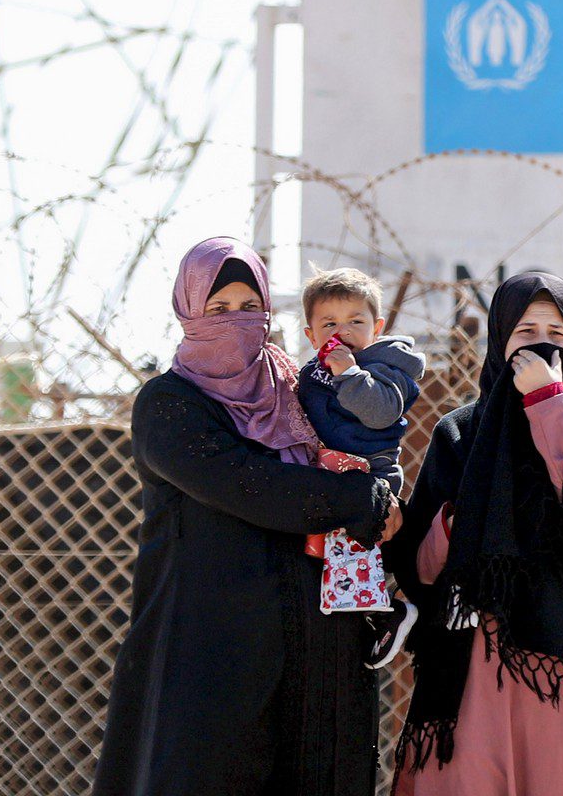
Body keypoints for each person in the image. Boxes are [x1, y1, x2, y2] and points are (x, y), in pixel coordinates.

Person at [93, 237, 401, 796]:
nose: (236, 321)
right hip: (212, 656)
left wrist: (379, 499)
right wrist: (364, 500)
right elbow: (248, 485)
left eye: (248, 306)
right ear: (189, 311)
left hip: (316, 649)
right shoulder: (169, 405)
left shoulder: (298, 392)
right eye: (217, 309)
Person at [384, 272, 563, 795]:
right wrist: (462, 526)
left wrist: (548, 400)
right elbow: (421, 569)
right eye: (524, 333)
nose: (540, 343)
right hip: (475, 663)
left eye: (556, 335)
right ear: (499, 341)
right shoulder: (460, 431)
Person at [298, 267, 424, 668]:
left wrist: (350, 374)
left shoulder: (387, 366)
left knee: (359, 552)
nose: (344, 330)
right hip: (328, 477)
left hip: (370, 478)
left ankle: (391, 612)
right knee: (329, 562)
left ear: (377, 326)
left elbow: (380, 412)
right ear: (311, 334)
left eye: (356, 321)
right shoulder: (312, 373)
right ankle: (372, 616)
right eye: (330, 322)